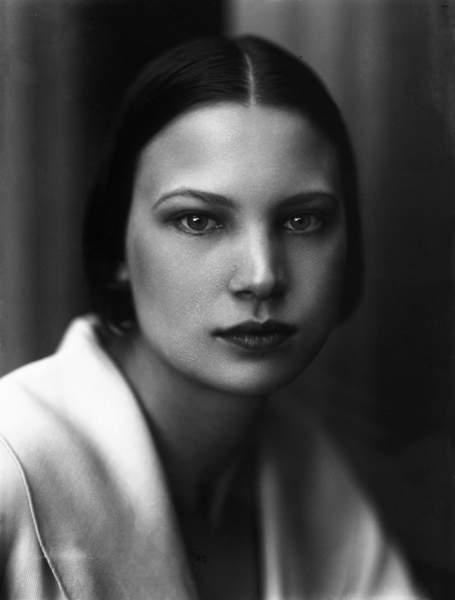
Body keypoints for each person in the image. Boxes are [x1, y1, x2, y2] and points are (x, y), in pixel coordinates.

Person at [0, 36, 423, 600]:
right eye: (198, 221)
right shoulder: (11, 463)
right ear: (116, 249)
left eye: (302, 221)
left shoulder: (310, 470)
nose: (262, 275)